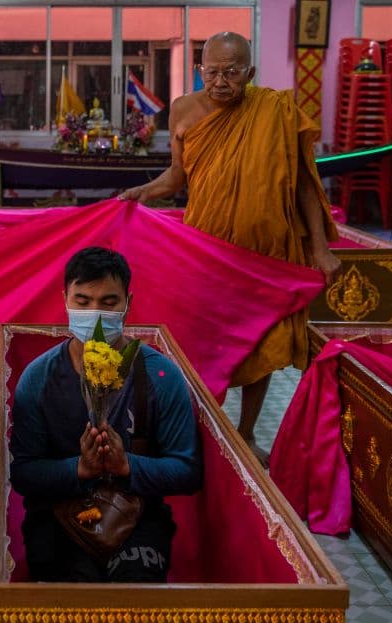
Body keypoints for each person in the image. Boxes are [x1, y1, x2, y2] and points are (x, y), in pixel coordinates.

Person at [119, 32, 342, 464]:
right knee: (202, 341)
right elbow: (175, 179)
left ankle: (246, 432)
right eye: (213, 72)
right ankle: (198, 426)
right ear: (200, 71)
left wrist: (319, 248)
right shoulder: (183, 110)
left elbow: (305, 190)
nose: (221, 82)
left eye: (232, 72)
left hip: (267, 254)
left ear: (250, 73)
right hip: (208, 253)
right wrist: (143, 192)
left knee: (264, 342)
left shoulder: (275, 111)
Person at [10, 247, 202, 582]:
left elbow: (186, 471)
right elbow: (24, 472)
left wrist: (126, 465)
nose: (95, 314)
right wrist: (80, 469)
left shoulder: (161, 377)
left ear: (128, 302)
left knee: (132, 593)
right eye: (82, 302)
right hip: (58, 516)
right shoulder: (38, 379)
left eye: (108, 302)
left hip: (138, 517)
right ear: (65, 299)